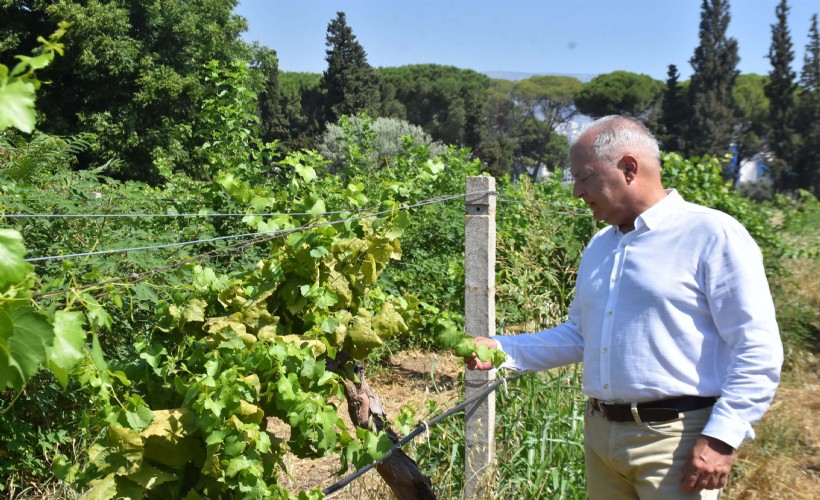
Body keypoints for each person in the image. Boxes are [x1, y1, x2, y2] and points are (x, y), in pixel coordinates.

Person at [466, 115, 783, 499]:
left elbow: (757, 348)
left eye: (584, 178)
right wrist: (503, 351)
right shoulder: (601, 245)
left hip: (676, 442)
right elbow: (581, 334)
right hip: (602, 436)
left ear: (628, 168)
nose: (577, 193)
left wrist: (722, 437)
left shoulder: (711, 235)